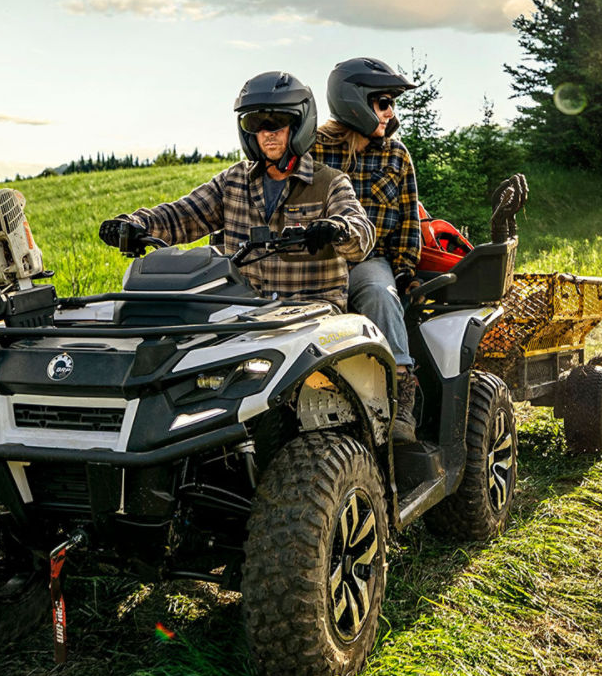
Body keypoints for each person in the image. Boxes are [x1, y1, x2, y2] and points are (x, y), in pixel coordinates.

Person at [98, 71, 373, 313]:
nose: (267, 133)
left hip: (312, 313)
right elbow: (182, 215)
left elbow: (361, 232)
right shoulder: (234, 182)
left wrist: (338, 229)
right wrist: (134, 224)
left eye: (276, 121)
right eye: (255, 123)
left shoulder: (330, 183)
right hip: (244, 312)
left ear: (300, 123)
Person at [311, 57, 422, 442]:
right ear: (353, 102)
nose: (391, 112)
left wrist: (404, 271)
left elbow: (408, 220)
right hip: (314, 263)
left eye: (392, 103)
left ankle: (401, 395)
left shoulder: (396, 155)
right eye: (383, 102)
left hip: (368, 260)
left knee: (379, 293)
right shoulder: (311, 150)